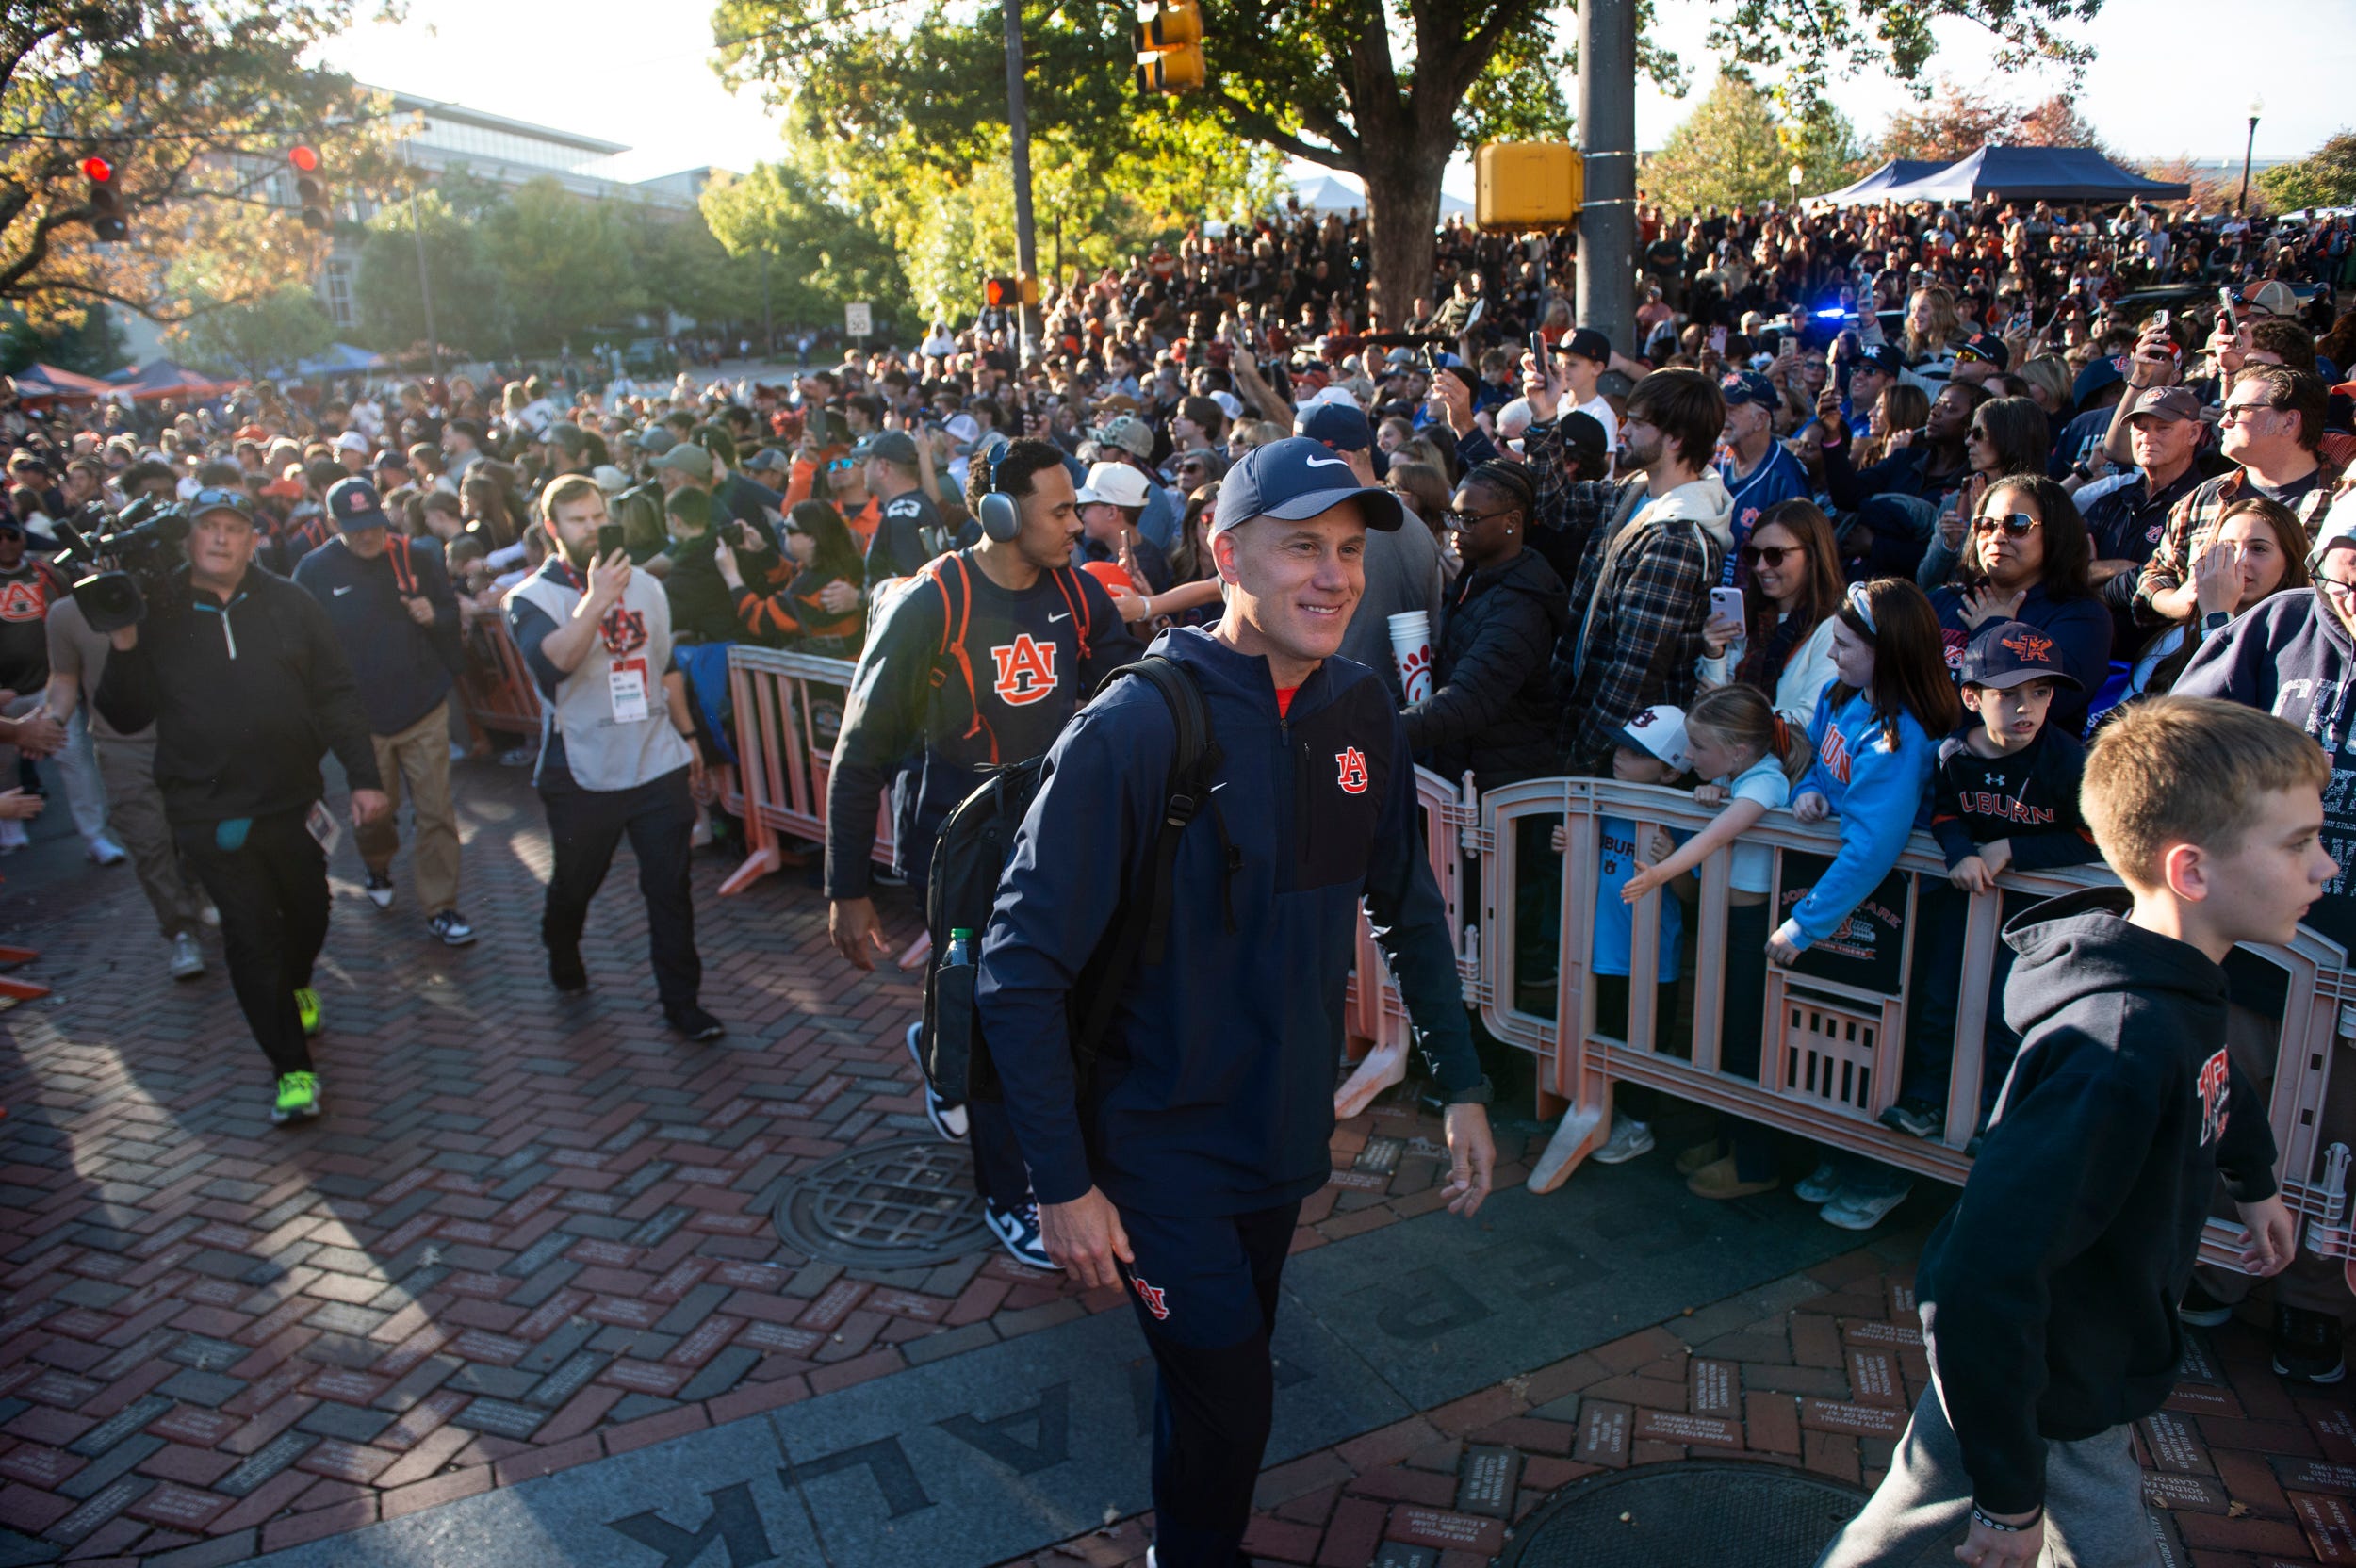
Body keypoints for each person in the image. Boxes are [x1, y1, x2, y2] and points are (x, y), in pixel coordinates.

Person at [974, 436, 1495, 1568]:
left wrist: (1460, 1081)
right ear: (1226, 554)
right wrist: (1059, 1181)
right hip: (1151, 1148)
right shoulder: (1138, 723)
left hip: (1276, 1133)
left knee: (1223, 1369)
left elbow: (1406, 906)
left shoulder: (1359, 710)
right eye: (1302, 545)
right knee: (1232, 1386)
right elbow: (1016, 967)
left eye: (1350, 550)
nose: (1333, 575)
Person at [1812, 695, 2304, 1568]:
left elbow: (2211, 1073)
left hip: (2069, 1364)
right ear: (2192, 870)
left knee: (1906, 1526)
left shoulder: (2181, 987)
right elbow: (1977, 1280)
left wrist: (2254, 1177)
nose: (2329, 867)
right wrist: (2008, 1501)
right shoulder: (2118, 1048)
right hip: (2046, 1378)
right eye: (2300, 844)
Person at [824, 438, 1139, 1268]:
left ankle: (943, 1040)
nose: (1078, 525)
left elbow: (1124, 690)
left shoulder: (1075, 593)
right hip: (961, 856)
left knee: (1036, 1007)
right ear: (1002, 516)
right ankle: (1009, 1191)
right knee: (998, 1016)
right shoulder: (932, 602)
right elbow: (861, 753)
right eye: (1061, 511)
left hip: (1053, 839)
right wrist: (845, 885)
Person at [93, 486, 389, 1126]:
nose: (222, 538)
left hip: (292, 800)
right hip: (205, 810)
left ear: (254, 537)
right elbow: (123, 712)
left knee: (310, 912)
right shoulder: (158, 609)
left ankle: (301, 979)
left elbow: (336, 693)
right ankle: (291, 1071)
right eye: (210, 528)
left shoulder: (292, 602)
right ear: (189, 539)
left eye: (235, 527)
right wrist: (123, 641)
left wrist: (363, 777)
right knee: (251, 936)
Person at [503, 474, 723, 1041]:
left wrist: (689, 737)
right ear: (552, 529)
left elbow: (666, 665)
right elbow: (554, 663)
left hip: (654, 758)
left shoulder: (648, 586)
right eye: (578, 520)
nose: (593, 528)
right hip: (581, 768)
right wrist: (598, 595)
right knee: (578, 881)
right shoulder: (530, 599)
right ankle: (562, 946)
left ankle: (683, 1004)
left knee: (669, 888)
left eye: (599, 516)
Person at [1776, 578, 1958, 1230]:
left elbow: (1874, 845)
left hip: (1904, 911)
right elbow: (1828, 772)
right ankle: (1846, 1151)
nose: (1833, 656)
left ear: (1890, 650)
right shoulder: (1840, 696)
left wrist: (1804, 923)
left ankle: (1881, 1172)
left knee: (1895, 1043)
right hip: (1865, 909)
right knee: (1847, 1029)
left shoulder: (1902, 731)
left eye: (1846, 644)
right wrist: (1811, 793)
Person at [1888, 621, 2100, 1146]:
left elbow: (2092, 838)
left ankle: (1997, 1122)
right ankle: (1926, 1101)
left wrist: (2015, 849)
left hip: (2036, 920)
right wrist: (1959, 851)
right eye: (2008, 694)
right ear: (1973, 697)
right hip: (1967, 904)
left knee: (2011, 1016)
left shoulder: (2070, 760)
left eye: (2041, 692)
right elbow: (1944, 815)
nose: (2026, 707)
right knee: (1941, 1001)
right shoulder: (1953, 755)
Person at [1622, 682, 1813, 1200]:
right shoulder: (1743, 775)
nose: (1688, 756)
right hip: (1725, 923)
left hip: (1754, 931)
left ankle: (1754, 1162)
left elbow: (1716, 837)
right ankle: (1729, 1139)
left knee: (1748, 1042)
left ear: (1739, 750)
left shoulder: (1767, 782)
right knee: (1725, 1035)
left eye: (1699, 747)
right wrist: (1715, 785)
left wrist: (1659, 875)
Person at [293, 478, 474, 944]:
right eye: (355, 528)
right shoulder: (313, 571)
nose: (368, 536)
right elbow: (300, 646)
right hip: (361, 721)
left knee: (437, 811)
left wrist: (435, 616)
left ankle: (442, 907)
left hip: (422, 706)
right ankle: (377, 866)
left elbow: (450, 612)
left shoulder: (415, 555)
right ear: (334, 524)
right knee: (376, 813)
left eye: (373, 523)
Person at [1541, 367, 1733, 774]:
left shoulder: (1676, 538)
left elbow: (1632, 674)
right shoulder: (1636, 490)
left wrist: (1580, 763)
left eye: (1638, 423)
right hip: (1585, 726)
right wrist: (1544, 415)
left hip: (1624, 755)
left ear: (1675, 438)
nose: (1623, 431)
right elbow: (1556, 507)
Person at [42, 579, 209, 978]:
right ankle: (180, 930)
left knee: (197, 832)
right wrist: (51, 721)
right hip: (122, 748)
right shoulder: (66, 614)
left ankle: (205, 895)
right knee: (150, 842)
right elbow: (65, 679)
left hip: (186, 737)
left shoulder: (169, 593)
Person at [1401, 462, 1569, 792]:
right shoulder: (1477, 575)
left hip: (1501, 786)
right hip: (1466, 768)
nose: (1456, 529)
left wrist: (1373, 726)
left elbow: (1468, 701)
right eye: (1453, 516)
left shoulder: (1521, 606)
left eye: (1470, 519)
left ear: (1512, 521)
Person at [2135, 366, 2341, 627]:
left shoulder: (2343, 500)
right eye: (2223, 412)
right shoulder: (2204, 497)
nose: (2223, 422)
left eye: (2237, 411)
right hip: (2204, 653)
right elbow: (2154, 574)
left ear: (2289, 421)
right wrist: (2176, 603)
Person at [1927, 473, 2112, 735]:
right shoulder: (1943, 600)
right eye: (1986, 525)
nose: (1997, 537)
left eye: (2016, 525)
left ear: (2055, 533)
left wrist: (1994, 630)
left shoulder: (2084, 618)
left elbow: (2037, 710)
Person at [1299, 401, 1444, 705]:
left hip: (1347, 712)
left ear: (1342, 459)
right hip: (1407, 713)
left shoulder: (1340, 535)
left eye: (1304, 465)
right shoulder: (1413, 523)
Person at [1715, 370, 1812, 577]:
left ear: (1760, 419)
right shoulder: (1712, 460)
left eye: (1731, 409)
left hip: (1755, 600)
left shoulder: (1787, 477)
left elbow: (1796, 559)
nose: (1722, 416)